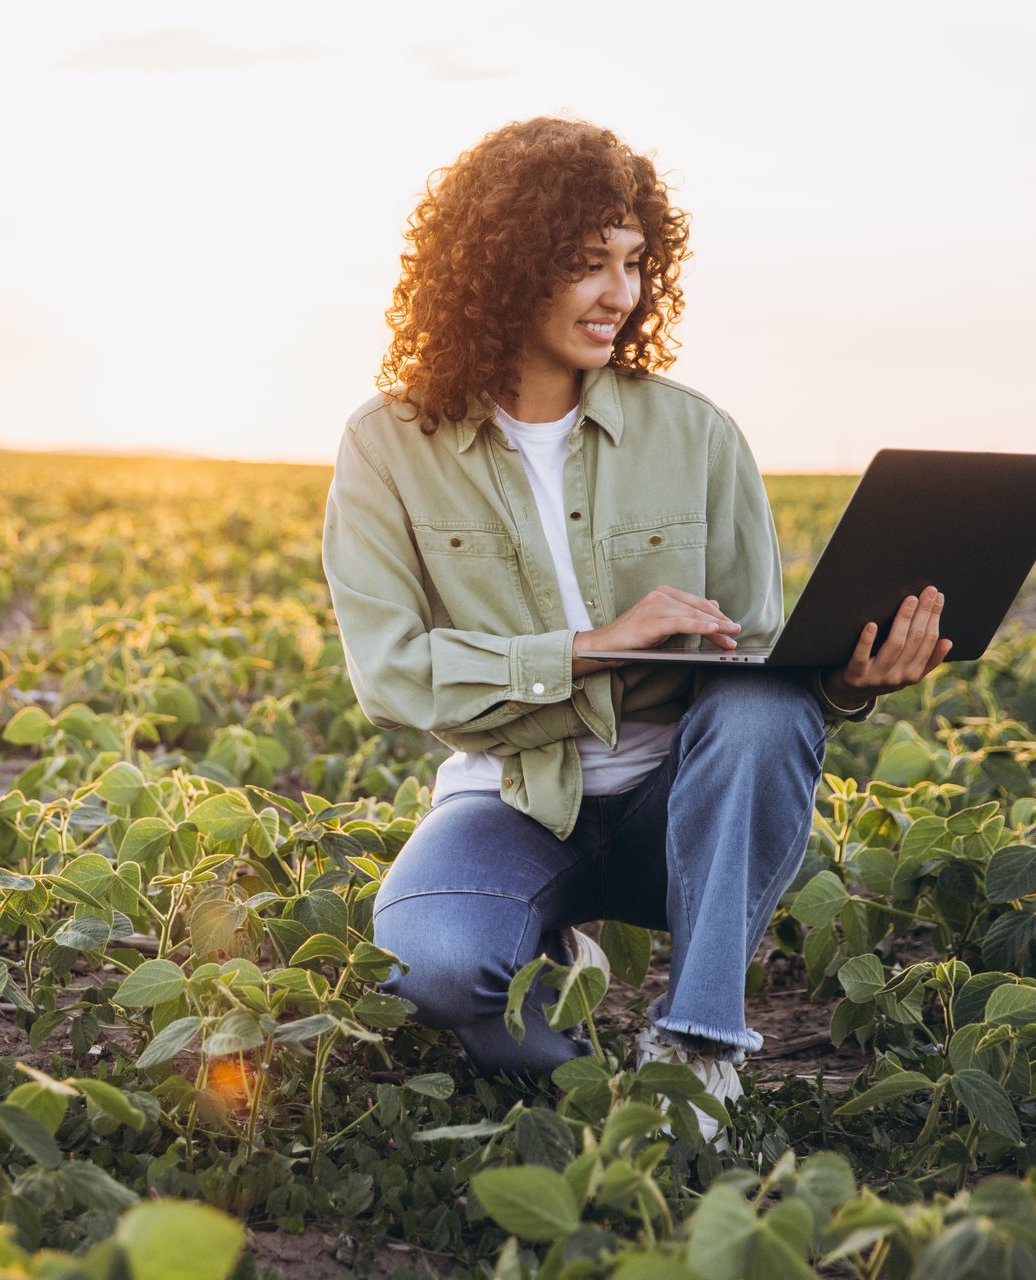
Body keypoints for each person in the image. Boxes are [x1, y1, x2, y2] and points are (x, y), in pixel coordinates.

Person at [320, 116, 951, 1141]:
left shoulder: (697, 433)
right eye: (585, 265)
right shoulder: (388, 444)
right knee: (433, 964)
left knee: (759, 710)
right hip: (514, 798)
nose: (620, 293)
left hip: (680, 812)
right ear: (499, 267)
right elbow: (392, 674)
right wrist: (591, 643)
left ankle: (699, 1049)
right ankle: (584, 1075)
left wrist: (848, 683)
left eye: (632, 262)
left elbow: (765, 665)